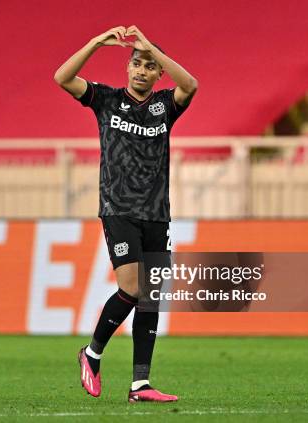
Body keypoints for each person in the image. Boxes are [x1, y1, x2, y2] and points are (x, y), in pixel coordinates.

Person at [54, 25, 197, 403]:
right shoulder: (105, 99)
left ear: (157, 73)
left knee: (150, 296)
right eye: (136, 63)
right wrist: (94, 43)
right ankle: (92, 353)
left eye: (149, 66)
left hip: (157, 213)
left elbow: (191, 84)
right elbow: (62, 78)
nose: (141, 70)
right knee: (132, 289)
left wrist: (152, 46)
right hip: (118, 208)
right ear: (127, 68)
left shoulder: (165, 106)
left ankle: (140, 386)